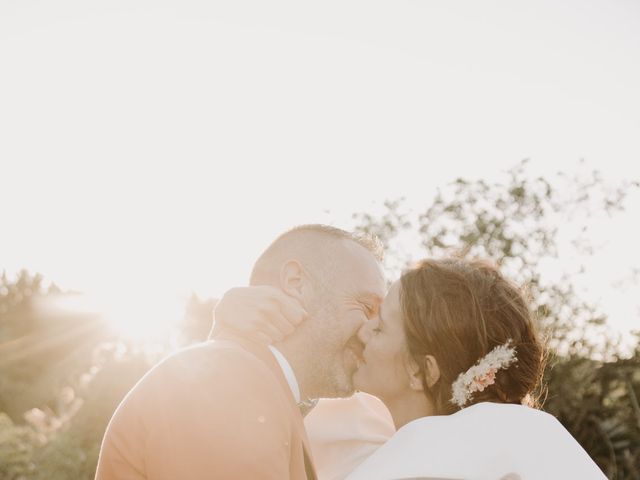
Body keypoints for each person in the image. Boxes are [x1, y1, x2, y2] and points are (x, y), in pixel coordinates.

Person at [218, 257, 607, 480]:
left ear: (423, 372)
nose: (364, 330)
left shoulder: (469, 442)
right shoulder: (363, 429)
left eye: (381, 325)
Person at [95, 224, 386, 480]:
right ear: (296, 283)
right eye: (365, 307)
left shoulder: (253, 383)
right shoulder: (231, 380)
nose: (374, 329)